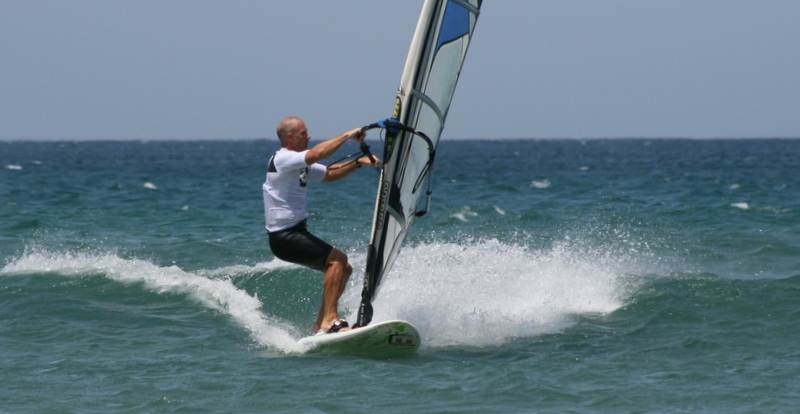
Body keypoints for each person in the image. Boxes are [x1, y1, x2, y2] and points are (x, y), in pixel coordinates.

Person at [262, 116, 378, 334]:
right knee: (337, 261)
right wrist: (347, 135)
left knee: (343, 268)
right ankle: (330, 320)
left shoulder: (298, 163)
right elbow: (317, 154)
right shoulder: (284, 158)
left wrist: (358, 163)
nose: (309, 136)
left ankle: (320, 324)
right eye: (303, 133)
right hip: (284, 236)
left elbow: (330, 174)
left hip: (294, 232)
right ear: (289, 137)